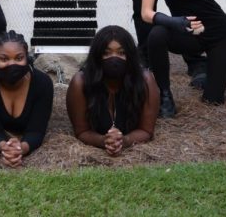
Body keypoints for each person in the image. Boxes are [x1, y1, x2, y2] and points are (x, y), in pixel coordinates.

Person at [66, 25, 160, 156]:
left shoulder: (145, 81)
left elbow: (146, 130)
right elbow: (82, 131)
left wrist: (124, 140)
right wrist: (103, 141)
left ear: (130, 56)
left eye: (121, 53)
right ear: (97, 55)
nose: (114, 59)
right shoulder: (80, 83)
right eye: (106, 53)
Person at [0, 31, 54, 168]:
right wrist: (3, 147)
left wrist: (20, 149)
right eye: (4, 59)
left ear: (27, 59)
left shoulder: (43, 83)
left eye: (19, 58)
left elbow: (36, 131)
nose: (12, 64)